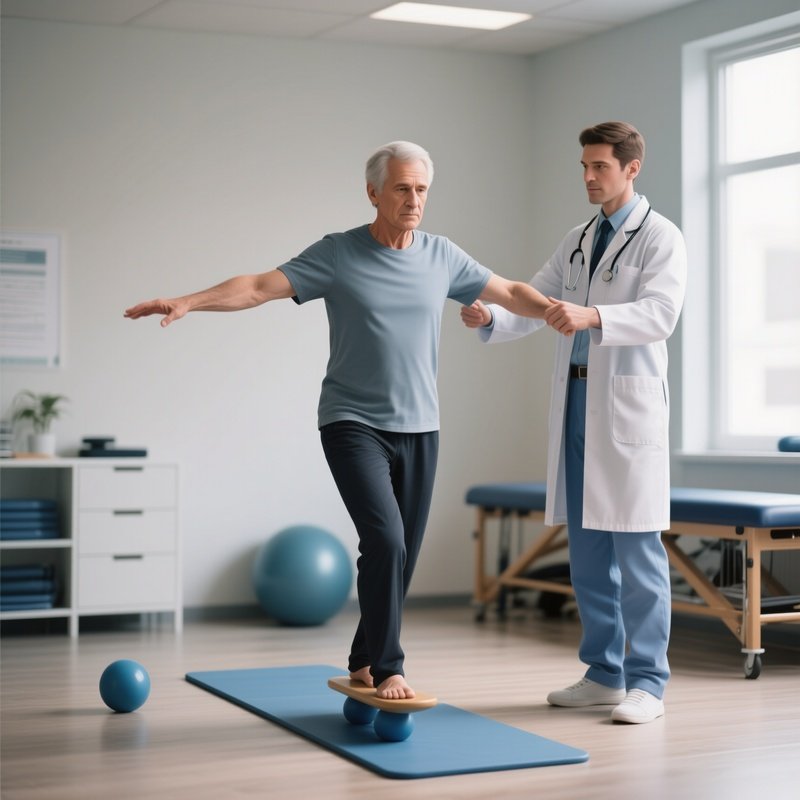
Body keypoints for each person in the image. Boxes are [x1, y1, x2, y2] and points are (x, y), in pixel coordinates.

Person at [125, 141, 552, 700]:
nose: (414, 200)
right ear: (373, 192)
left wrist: (562, 312)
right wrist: (188, 301)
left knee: (402, 556)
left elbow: (512, 292)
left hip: (421, 426)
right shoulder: (339, 253)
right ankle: (390, 665)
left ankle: (360, 658)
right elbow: (257, 287)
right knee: (385, 537)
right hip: (352, 422)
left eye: (422, 189)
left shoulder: (442, 255)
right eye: (402, 188)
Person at [462, 122, 687, 724]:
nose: (588, 177)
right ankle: (604, 673)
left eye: (600, 167)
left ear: (631, 168)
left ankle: (648, 683)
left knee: (637, 554)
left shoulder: (660, 237)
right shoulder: (579, 239)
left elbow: (661, 315)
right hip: (578, 407)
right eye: (584, 167)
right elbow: (536, 301)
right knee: (587, 552)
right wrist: (491, 314)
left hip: (627, 413)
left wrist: (591, 315)